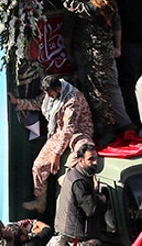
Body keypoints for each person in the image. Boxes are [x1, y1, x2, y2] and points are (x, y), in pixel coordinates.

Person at [63, 0, 135, 141]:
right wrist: (117, 47)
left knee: (98, 93)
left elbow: (70, 5)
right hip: (107, 53)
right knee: (112, 88)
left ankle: (107, 128)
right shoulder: (112, 3)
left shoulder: (96, 6)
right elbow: (117, 27)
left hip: (95, 57)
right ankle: (123, 123)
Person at [9, 76, 93, 213]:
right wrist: (17, 102)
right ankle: (40, 201)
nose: (48, 96)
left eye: (50, 93)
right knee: (38, 166)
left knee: (81, 156)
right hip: (58, 132)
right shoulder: (50, 94)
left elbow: (69, 129)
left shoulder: (72, 100)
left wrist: (56, 154)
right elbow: (38, 103)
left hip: (79, 131)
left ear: (58, 89)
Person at [53, 141, 107, 245]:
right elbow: (91, 209)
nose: (95, 162)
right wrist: (102, 198)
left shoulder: (75, 174)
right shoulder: (79, 182)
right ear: (80, 161)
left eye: (96, 158)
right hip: (77, 236)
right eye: (91, 159)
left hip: (71, 231)